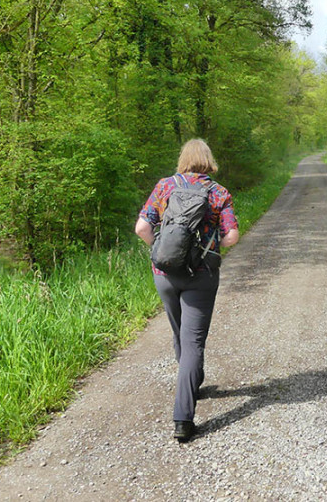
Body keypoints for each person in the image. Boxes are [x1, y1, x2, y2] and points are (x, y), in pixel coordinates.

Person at [135, 139, 240, 442]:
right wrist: (209, 247)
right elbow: (231, 236)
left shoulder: (165, 186)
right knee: (193, 342)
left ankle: (189, 382)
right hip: (201, 275)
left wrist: (162, 251)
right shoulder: (219, 193)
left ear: (183, 160)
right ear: (209, 161)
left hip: (164, 273)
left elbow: (142, 228)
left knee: (179, 332)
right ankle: (183, 418)